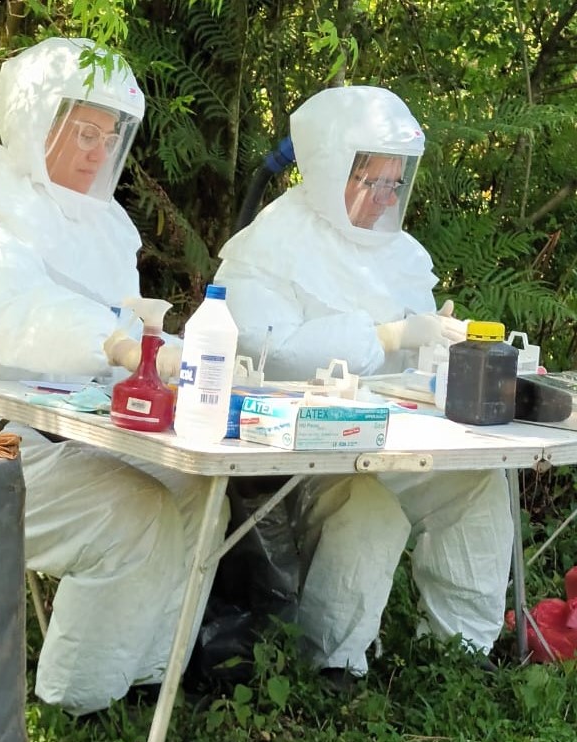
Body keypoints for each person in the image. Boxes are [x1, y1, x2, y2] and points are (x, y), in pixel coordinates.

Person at [0, 37, 226, 714]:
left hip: (77, 431)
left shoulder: (104, 226)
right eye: (83, 131)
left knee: (198, 490)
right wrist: (116, 341)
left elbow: (127, 333)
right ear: (35, 119)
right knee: (134, 514)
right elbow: (13, 312)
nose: (98, 150)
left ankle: (148, 677)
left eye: (111, 135)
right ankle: (78, 704)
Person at [214, 85, 514, 683]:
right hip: (298, 443)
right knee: (371, 511)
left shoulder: (399, 254)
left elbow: (414, 353)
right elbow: (268, 348)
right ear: (329, 170)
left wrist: (440, 347)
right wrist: (386, 336)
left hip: (390, 431)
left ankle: (459, 656)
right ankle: (333, 667)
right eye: (370, 181)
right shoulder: (270, 245)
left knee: (477, 487)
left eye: (394, 184)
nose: (383, 199)